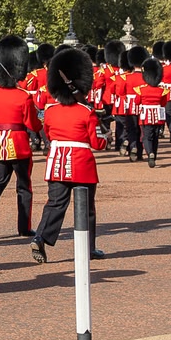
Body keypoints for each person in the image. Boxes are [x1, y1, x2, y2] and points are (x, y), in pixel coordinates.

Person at [32, 47, 103, 263]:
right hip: (81, 163)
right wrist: (105, 136)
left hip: (57, 161)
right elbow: (97, 143)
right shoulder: (86, 111)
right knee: (87, 209)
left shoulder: (50, 110)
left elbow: (49, 133)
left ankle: (41, 237)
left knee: (55, 204)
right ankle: (88, 248)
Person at [0, 36, 39, 238]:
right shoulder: (24, 96)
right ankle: (24, 227)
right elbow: (31, 123)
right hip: (19, 145)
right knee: (24, 187)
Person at [135, 56, 169, 168]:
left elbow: (137, 101)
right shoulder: (162, 90)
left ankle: (150, 153)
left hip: (146, 116)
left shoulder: (141, 89)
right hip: (158, 116)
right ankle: (153, 154)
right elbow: (164, 103)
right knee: (155, 136)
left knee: (146, 136)